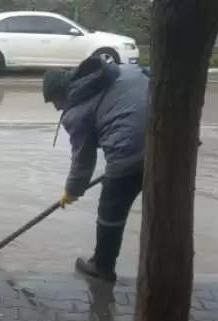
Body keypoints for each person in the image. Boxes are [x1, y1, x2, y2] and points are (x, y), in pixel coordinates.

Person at [42, 57, 149, 283]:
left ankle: (102, 267)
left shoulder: (76, 111)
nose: (57, 108)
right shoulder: (119, 71)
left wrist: (71, 191)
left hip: (129, 148)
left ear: (62, 92)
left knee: (111, 209)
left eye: (54, 102)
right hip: (170, 142)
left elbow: (83, 160)